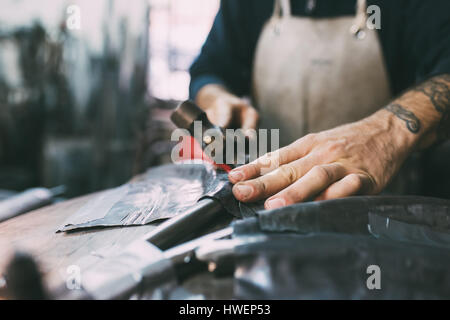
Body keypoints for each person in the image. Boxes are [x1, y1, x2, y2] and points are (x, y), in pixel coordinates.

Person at [189, 0, 450, 210]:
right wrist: (215, 97)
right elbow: (209, 69)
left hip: (387, 212)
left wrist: (385, 135)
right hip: (267, 206)